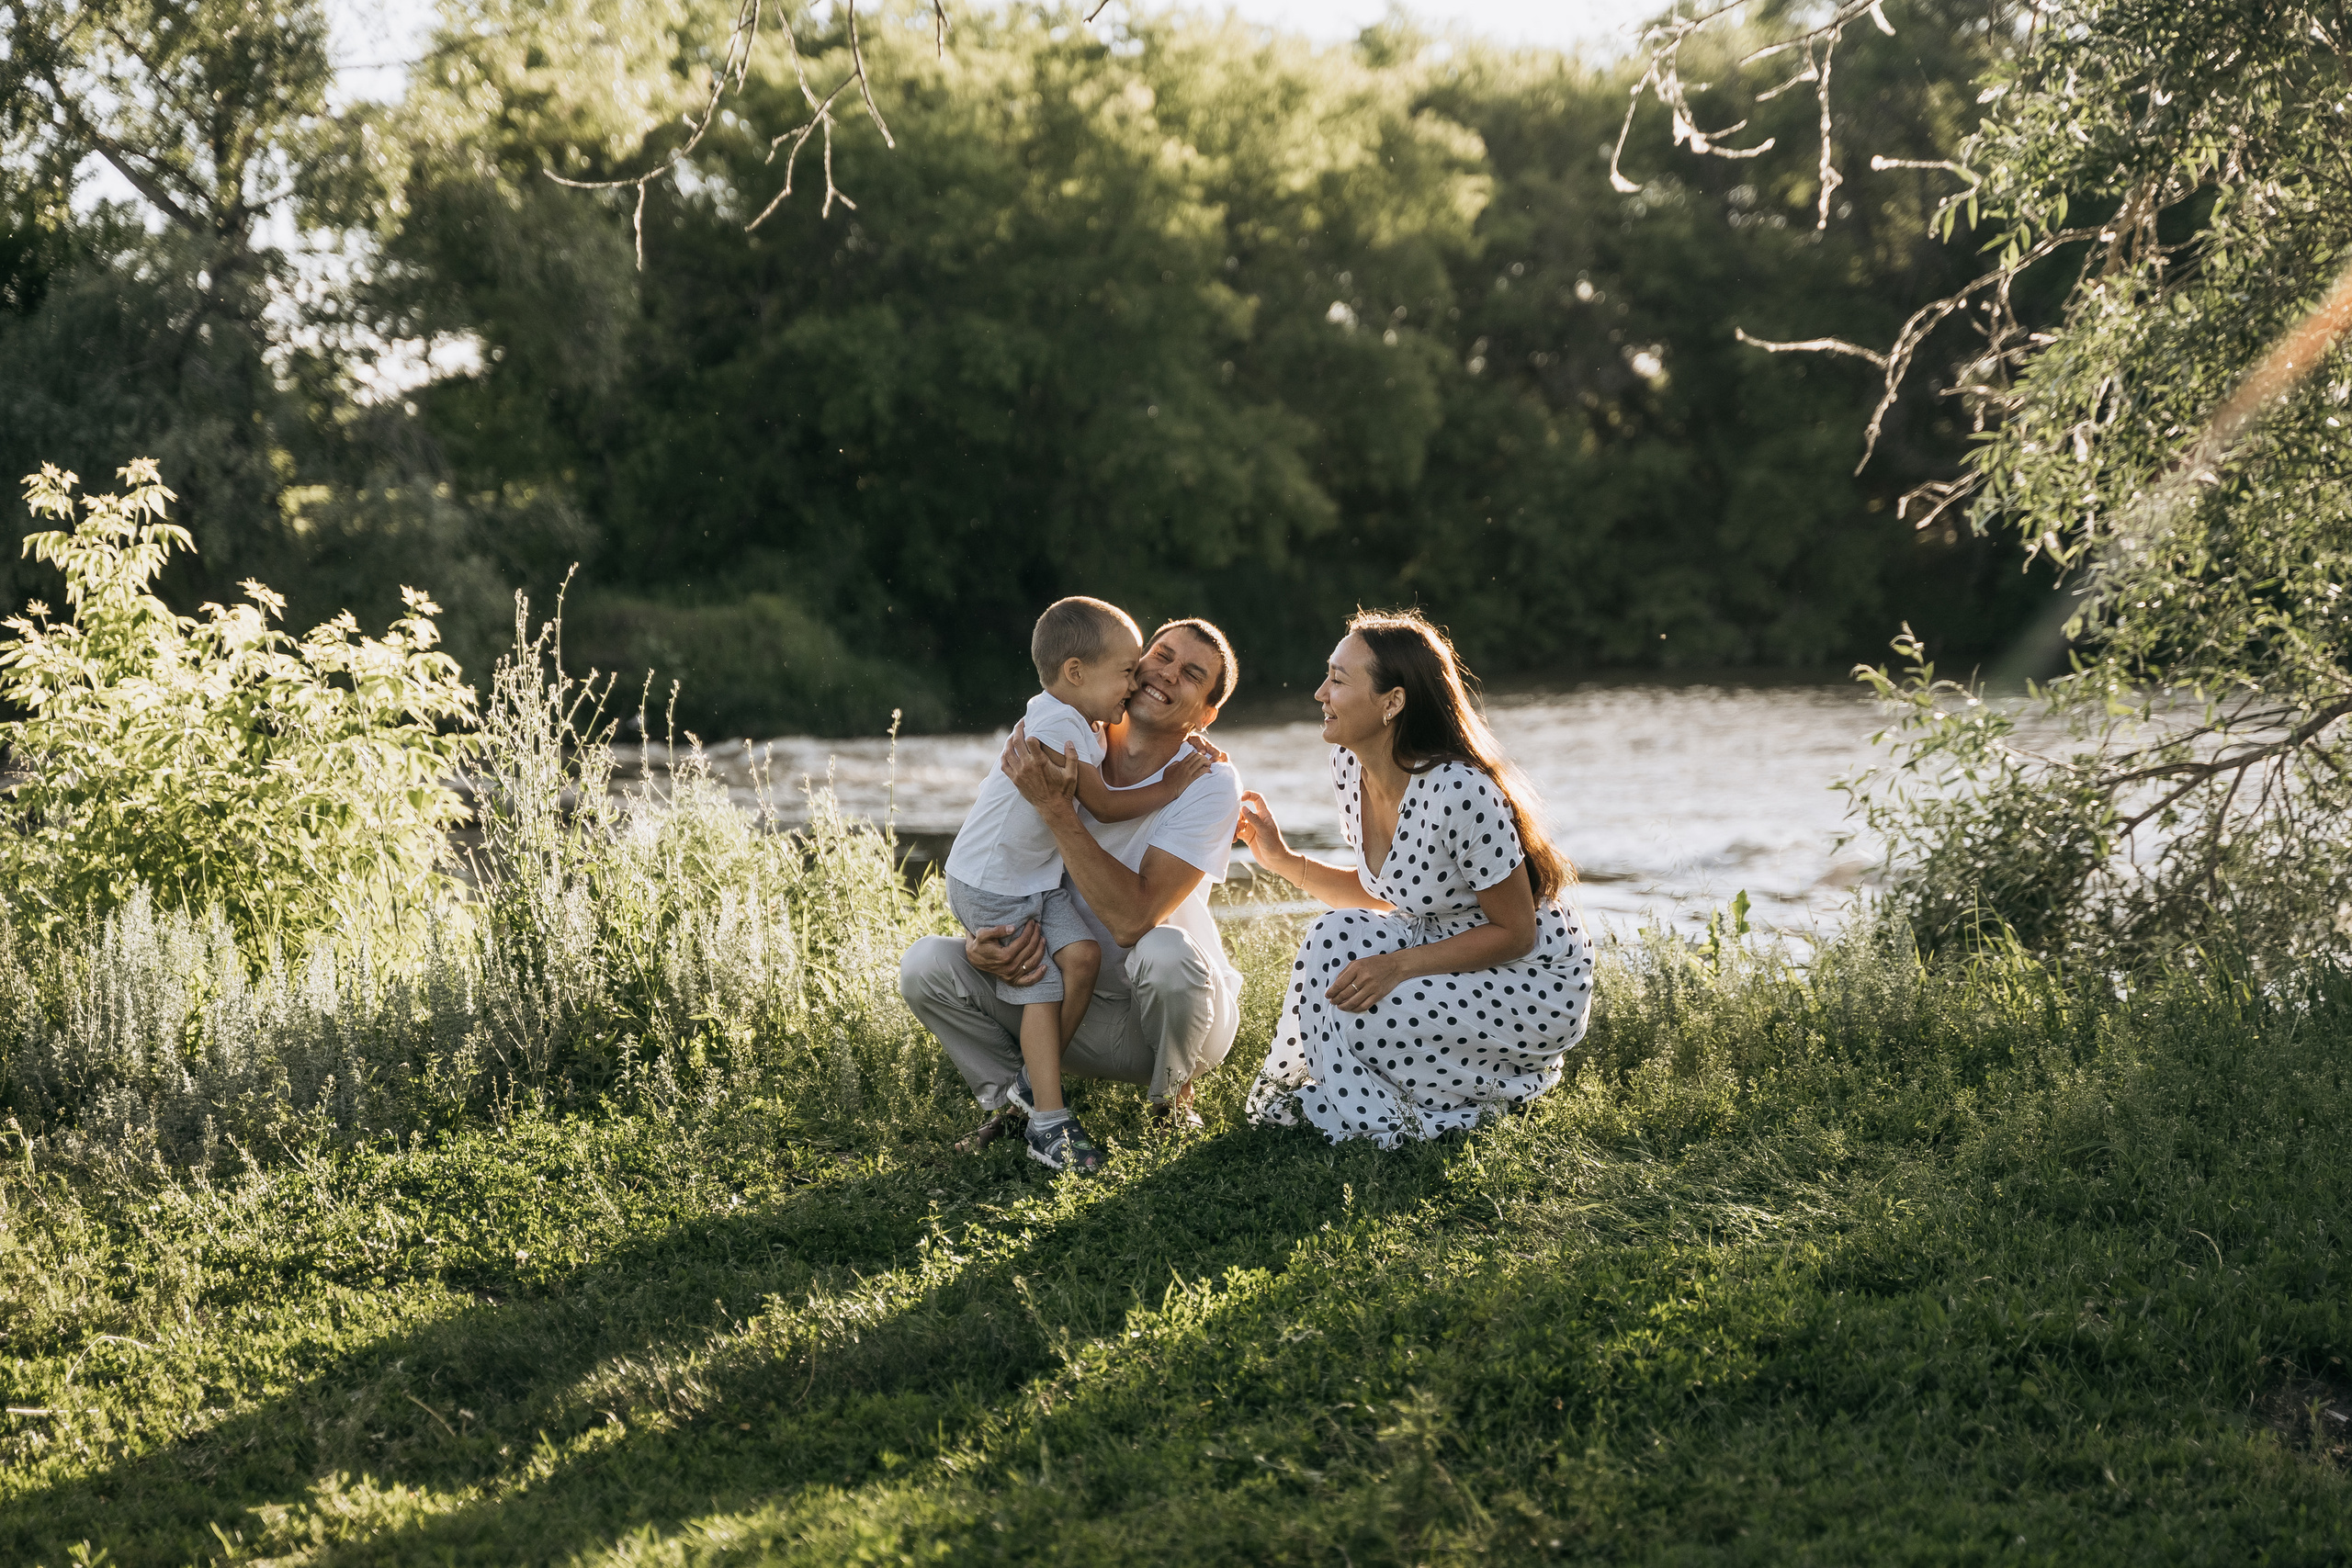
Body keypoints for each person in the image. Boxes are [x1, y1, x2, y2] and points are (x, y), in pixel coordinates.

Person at [1237, 609, 1594, 1146]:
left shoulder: (1460, 792)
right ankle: (1347, 1097)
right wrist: (1283, 859)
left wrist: (1397, 966)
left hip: (1529, 977)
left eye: (1337, 679)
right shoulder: (1349, 766)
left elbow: (1515, 931)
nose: (1319, 693)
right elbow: (1390, 891)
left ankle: (1505, 1085)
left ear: (1393, 702)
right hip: (1439, 943)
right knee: (1329, 937)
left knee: (1361, 1018)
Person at [901, 618, 1246, 1168]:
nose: (1166, 674)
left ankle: (1172, 1103)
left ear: (1205, 715)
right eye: (1161, 655)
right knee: (926, 965)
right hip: (1068, 999)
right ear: (1130, 669)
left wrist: (1059, 811)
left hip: (1160, 1019)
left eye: (1192, 674)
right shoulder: (1069, 738)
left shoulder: (1208, 780)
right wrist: (981, 946)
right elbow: (1001, 863)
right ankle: (1019, 1106)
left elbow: (1133, 921)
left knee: (1166, 951)